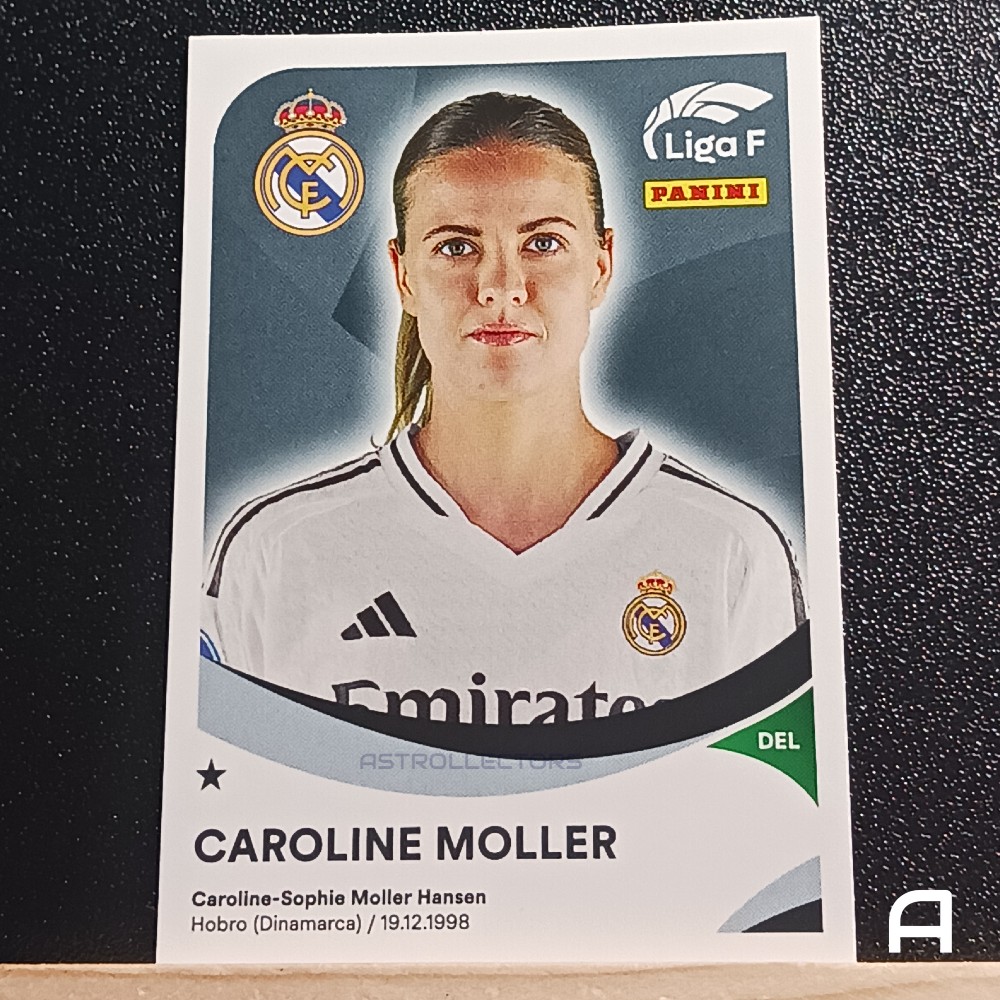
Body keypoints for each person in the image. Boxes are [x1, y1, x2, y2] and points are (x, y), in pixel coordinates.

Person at [201, 92, 805, 726]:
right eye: (456, 247)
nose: (501, 287)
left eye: (543, 242)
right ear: (403, 275)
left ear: (601, 265)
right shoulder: (279, 549)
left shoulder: (729, 548)